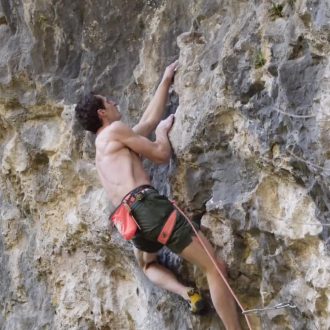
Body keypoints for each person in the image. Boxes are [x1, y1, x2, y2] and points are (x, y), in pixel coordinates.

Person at [75, 61, 242, 330]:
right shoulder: (115, 132)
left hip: (131, 223)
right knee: (215, 268)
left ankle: (186, 292)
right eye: (109, 100)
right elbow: (162, 155)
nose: (115, 101)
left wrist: (166, 79)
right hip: (148, 207)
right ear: (102, 112)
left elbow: (148, 121)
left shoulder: (104, 149)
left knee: (149, 266)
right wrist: (162, 135)